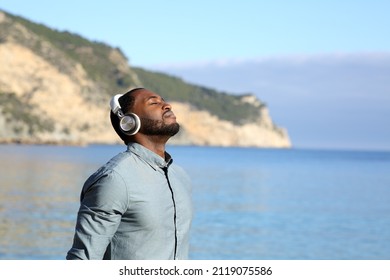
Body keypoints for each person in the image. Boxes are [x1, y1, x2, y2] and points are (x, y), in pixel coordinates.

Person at [66, 87, 193, 260]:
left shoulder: (180, 176)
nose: (167, 105)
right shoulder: (114, 179)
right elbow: (83, 260)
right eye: (154, 103)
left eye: (163, 100)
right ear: (129, 122)